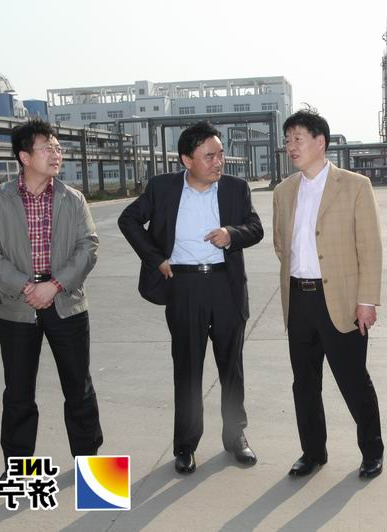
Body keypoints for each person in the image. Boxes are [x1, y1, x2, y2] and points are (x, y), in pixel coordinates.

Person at [118, 121, 263, 474]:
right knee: (187, 368)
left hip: (226, 286)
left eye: (220, 154)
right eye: (209, 156)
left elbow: (255, 228)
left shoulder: (235, 188)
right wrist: (156, 258)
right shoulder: (163, 188)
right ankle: (185, 445)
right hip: (183, 286)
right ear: (186, 160)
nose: (218, 162)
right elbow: (129, 220)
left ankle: (235, 436)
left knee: (231, 368)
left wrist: (231, 233)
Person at [0, 118, 103, 474]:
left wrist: (55, 285)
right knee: (18, 392)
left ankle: (91, 468)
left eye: (58, 148)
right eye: (47, 148)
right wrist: (25, 286)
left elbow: (88, 247)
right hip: (17, 306)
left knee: (79, 388)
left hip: (67, 304)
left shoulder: (72, 199)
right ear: (25, 157)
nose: (56, 154)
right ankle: (18, 469)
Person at [272, 109, 384, 479]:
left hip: (340, 301)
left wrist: (366, 300)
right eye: (287, 140)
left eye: (298, 139)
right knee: (304, 383)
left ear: (320, 142)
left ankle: (372, 451)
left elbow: (370, 248)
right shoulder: (283, 191)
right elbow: (281, 245)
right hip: (298, 299)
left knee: (353, 381)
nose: (291, 146)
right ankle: (312, 452)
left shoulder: (354, 186)